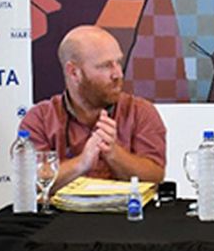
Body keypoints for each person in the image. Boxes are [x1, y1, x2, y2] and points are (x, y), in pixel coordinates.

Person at [21, 25, 166, 189]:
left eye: (118, 62)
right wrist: (82, 163)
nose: (118, 74)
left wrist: (113, 153)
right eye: (105, 66)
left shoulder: (140, 112)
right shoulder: (40, 119)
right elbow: (29, 181)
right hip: (63, 214)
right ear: (74, 72)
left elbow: (155, 175)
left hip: (126, 213)